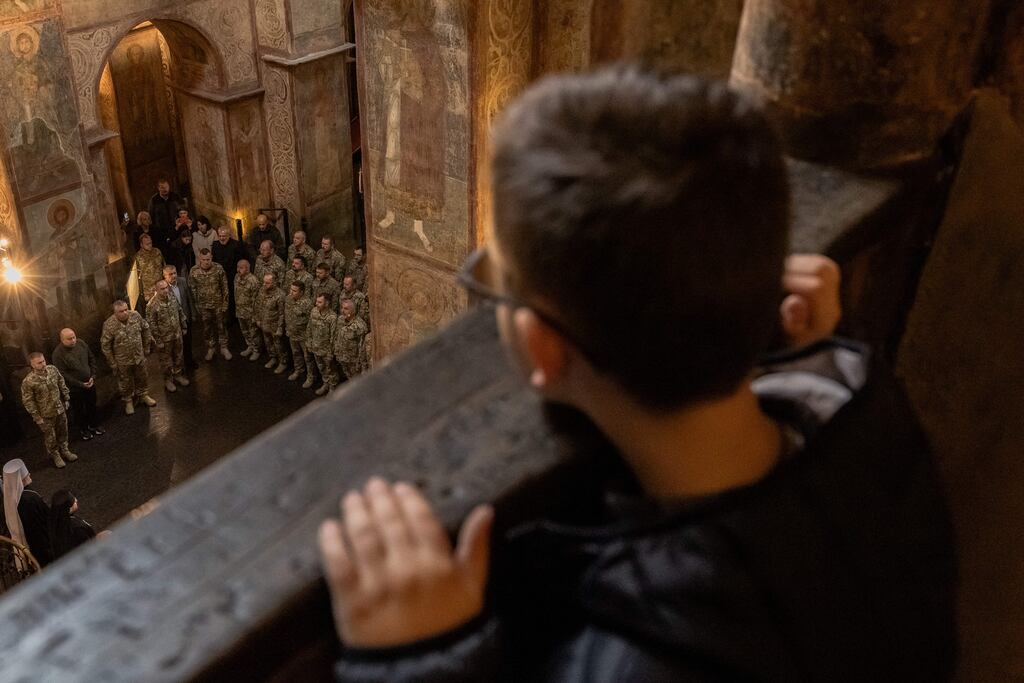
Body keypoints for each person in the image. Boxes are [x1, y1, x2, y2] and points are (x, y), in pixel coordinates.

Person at [318, 68, 956, 681]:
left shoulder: (635, 663)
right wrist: (812, 353)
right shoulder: (867, 408)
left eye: (497, 282)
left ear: (543, 348)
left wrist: (420, 662)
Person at [20, 352, 77, 469]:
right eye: (39, 363)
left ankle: (65, 450)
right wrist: (37, 417)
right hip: (45, 414)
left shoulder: (52, 370)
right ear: (32, 365)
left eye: (43, 361)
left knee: (63, 431)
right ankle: (55, 455)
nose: (43, 364)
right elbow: (28, 401)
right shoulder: (28, 381)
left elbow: (61, 382)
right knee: (51, 437)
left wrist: (66, 397)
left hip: (59, 408)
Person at [101, 299, 156, 416]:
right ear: (115, 312)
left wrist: (146, 347)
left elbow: (146, 329)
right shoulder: (109, 324)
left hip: (138, 356)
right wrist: (112, 363)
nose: (125, 312)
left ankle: (143, 395)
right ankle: (128, 401)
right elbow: (105, 346)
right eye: (121, 311)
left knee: (142, 376)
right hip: (123, 360)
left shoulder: (135, 316)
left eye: (126, 309)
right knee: (125, 381)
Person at [51, 328, 104, 442]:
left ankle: (94, 425)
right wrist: (80, 384)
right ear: (62, 340)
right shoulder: (58, 354)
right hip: (74, 389)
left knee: (92, 405)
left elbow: (91, 359)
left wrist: (93, 375)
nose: (73, 340)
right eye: (69, 339)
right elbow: (63, 374)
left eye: (74, 337)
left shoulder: (81, 343)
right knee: (78, 410)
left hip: (90, 382)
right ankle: (83, 429)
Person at [2, 459, 52, 567]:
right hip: (41, 545)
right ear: (19, 479)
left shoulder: (10, 497)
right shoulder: (29, 499)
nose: (29, 474)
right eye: (25, 474)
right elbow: (41, 525)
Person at [147, 279, 190, 392]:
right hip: (164, 339)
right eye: (162, 289)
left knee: (178, 357)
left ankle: (178, 375)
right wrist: (158, 340)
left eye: (166, 287)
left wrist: (184, 326)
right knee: (165, 361)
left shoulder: (172, 297)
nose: (165, 290)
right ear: (156, 289)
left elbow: (180, 311)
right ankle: (168, 380)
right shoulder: (152, 305)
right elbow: (152, 325)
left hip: (177, 334)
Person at [189, 248, 231, 361]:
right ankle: (211, 348)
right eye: (204, 260)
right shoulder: (194, 271)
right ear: (199, 259)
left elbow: (225, 287)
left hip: (218, 304)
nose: (206, 262)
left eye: (208, 259)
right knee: (207, 328)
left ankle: (224, 347)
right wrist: (196, 306)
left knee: (222, 326)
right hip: (203, 306)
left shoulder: (218, 268)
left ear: (211, 257)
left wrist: (225, 304)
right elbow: (192, 290)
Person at [48, 489, 97, 562]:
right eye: (73, 500)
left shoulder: (56, 523)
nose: (76, 500)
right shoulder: (76, 528)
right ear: (68, 508)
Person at [164, 265, 196, 371]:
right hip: (174, 321)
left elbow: (189, 298)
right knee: (176, 345)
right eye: (170, 274)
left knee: (188, 342)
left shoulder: (182, 281)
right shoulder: (163, 287)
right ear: (165, 276)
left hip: (186, 317)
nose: (173, 276)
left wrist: (193, 314)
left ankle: (189, 362)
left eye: (175, 273)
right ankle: (178, 366)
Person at [306, 293, 338, 394]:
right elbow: (309, 328)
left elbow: (334, 336)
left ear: (327, 303)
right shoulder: (314, 311)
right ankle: (325, 384)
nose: (316, 304)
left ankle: (333, 388)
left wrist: (330, 352)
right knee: (321, 368)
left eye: (319, 302)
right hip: (316, 347)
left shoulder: (332, 317)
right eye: (316, 301)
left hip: (326, 350)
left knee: (330, 370)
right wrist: (309, 342)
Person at [255, 273, 286, 374]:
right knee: (268, 343)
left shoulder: (280, 295)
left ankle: (283, 362)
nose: (264, 284)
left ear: (274, 283)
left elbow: (282, 314)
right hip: (264, 323)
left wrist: (280, 328)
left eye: (267, 283)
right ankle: (273, 358)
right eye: (264, 282)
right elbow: (258, 305)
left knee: (279, 345)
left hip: (275, 325)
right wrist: (258, 319)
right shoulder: (262, 290)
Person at [284, 281, 313, 383]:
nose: (291, 292)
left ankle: (310, 376)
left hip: (304, 335)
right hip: (292, 333)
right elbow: (287, 314)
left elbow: (311, 322)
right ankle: (298, 370)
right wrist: (288, 329)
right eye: (291, 289)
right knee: (296, 354)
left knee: (308, 357)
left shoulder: (307, 303)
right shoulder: (288, 299)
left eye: (294, 291)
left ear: (301, 292)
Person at [332, 299, 367, 382]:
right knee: (349, 378)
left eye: (346, 309)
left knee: (357, 381)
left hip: (354, 362)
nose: (342, 311)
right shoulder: (340, 319)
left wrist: (360, 364)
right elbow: (336, 336)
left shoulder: (360, 326)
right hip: (342, 357)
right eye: (342, 308)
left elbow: (362, 347)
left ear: (353, 311)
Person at [235, 259, 263, 362]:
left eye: (241, 268)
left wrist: (255, 315)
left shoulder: (253, 281)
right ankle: (250, 346)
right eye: (238, 267)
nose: (238, 270)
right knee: (245, 331)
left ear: (247, 269)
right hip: (240, 310)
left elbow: (257, 300)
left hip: (250, 312)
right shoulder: (237, 277)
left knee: (254, 333)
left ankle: (256, 350)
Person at [147, 179, 182, 253]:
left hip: (176, 228)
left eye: (166, 187)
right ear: (158, 188)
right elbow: (151, 215)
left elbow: (182, 210)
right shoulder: (154, 200)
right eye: (162, 187)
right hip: (161, 231)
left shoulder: (175, 197)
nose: (165, 189)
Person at [133, 233, 165, 312]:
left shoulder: (157, 251)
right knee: (152, 312)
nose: (150, 245)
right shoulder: (138, 257)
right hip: (148, 291)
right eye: (147, 244)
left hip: (160, 286)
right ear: (141, 245)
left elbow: (164, 265)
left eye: (150, 243)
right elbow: (136, 275)